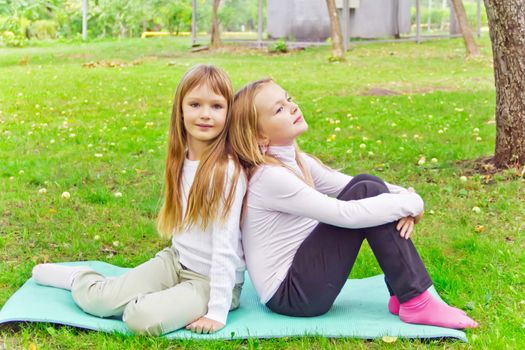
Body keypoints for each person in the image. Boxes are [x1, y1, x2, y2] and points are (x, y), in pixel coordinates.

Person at [228, 78, 477, 329]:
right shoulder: (269, 177)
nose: (292, 107)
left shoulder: (296, 159)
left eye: (289, 99)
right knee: (366, 191)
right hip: (291, 296)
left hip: (301, 279)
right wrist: (410, 204)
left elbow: (349, 184)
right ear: (259, 135)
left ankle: (405, 296)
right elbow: (344, 214)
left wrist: (408, 198)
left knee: (366, 183)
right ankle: (415, 302)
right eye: (279, 109)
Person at [31, 65, 247, 336]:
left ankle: (159, 300)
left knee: (140, 318)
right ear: (180, 110)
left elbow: (227, 247)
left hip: (210, 281)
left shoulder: (225, 170)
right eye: (195, 104)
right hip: (176, 261)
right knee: (100, 301)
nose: (205, 114)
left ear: (229, 113)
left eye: (216, 106)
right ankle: (78, 277)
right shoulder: (181, 159)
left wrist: (217, 311)